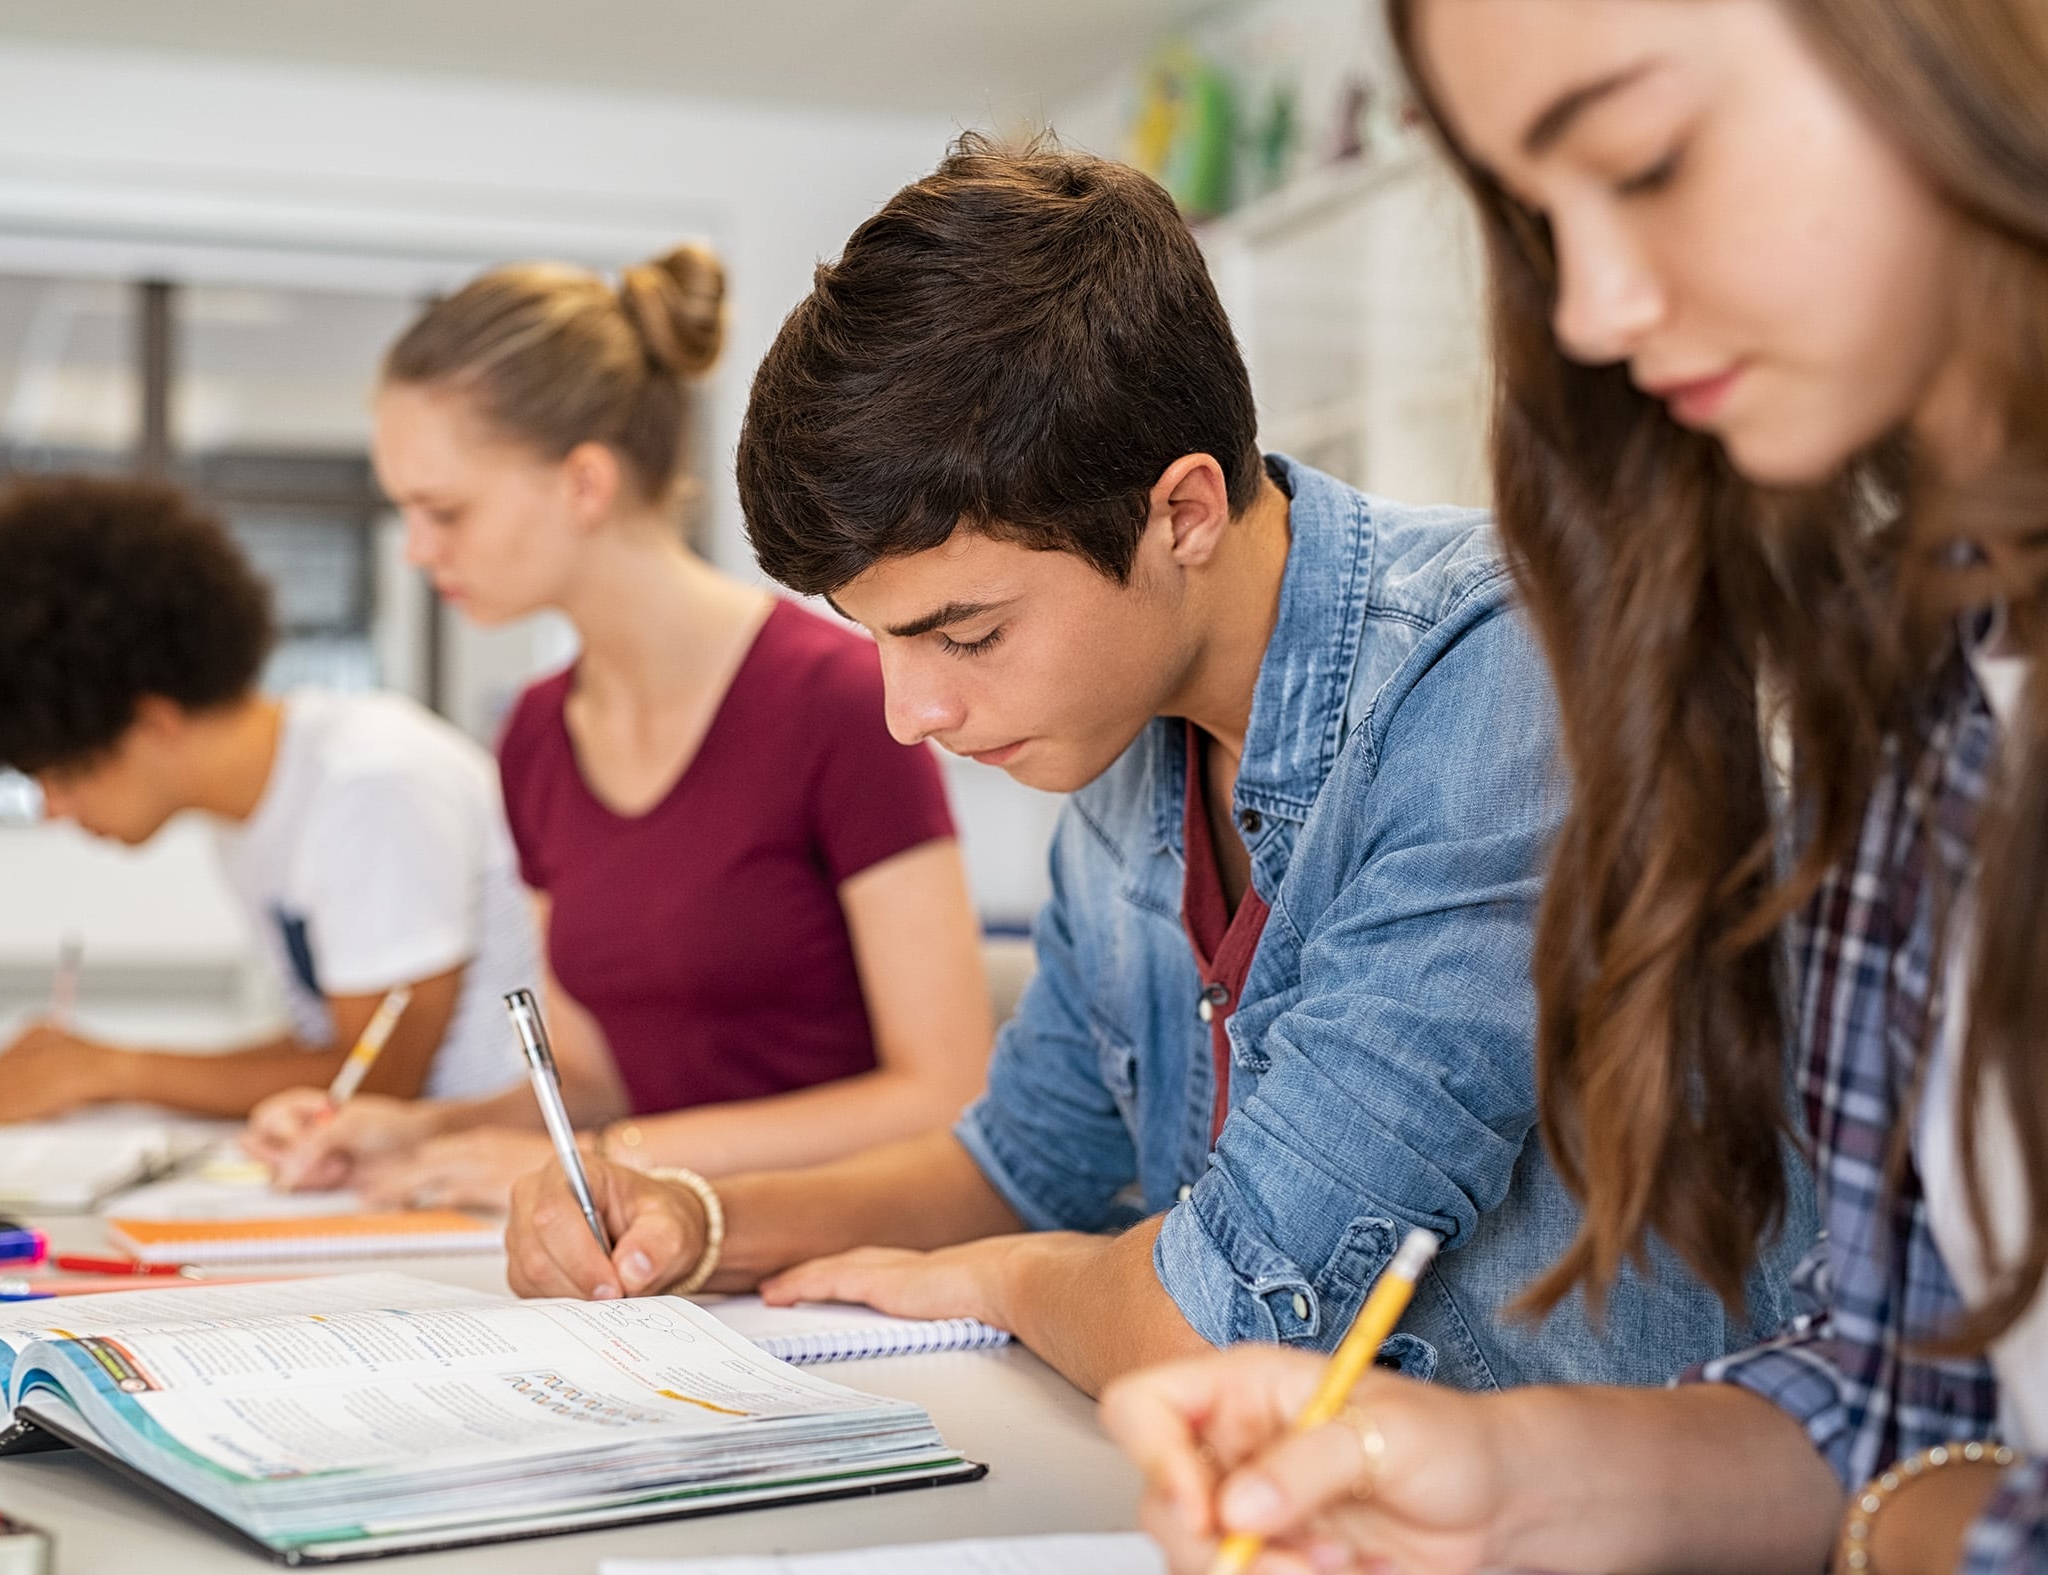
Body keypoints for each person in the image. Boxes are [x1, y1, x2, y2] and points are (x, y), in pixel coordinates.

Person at [502, 138, 1803, 1398]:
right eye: (881, 637)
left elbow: (1234, 1317)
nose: (910, 710)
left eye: (963, 631)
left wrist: (1017, 1282)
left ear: (1179, 511)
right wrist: (698, 1217)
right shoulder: (1129, 732)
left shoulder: (1498, 676)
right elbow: (1025, 1163)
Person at [1102, 2, 2048, 1571]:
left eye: (1647, 158)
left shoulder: (1471, 670)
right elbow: (1891, 1394)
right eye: (1540, 215)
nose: (1595, 306)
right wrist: (1510, 1472)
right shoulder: (1929, 689)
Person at [245, 244, 992, 1208]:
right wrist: (418, 1131)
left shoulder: (843, 700)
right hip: (656, 1261)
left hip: (845, 1255)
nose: (420, 551)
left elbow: (943, 1093)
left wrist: (610, 1158)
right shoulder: (536, 738)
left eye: (445, 511)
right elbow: (595, 1081)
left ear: (584, 484)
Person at [0, 475, 540, 1122]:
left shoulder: (371, 782)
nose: (53, 810)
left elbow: (377, 1078)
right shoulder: (252, 817)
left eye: (63, 776)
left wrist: (112, 1070)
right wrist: (93, 1066)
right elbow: (335, 1045)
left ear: (153, 721)